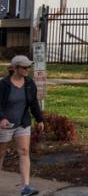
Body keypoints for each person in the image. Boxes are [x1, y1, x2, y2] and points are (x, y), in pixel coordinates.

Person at [0, 56, 44, 196]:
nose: (27, 70)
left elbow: (33, 103)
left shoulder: (30, 83)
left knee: (24, 151)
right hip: (5, 125)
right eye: (24, 67)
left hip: (22, 123)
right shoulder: (4, 84)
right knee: (0, 154)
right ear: (15, 68)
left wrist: (39, 119)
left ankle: (26, 187)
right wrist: (1, 118)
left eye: (28, 67)